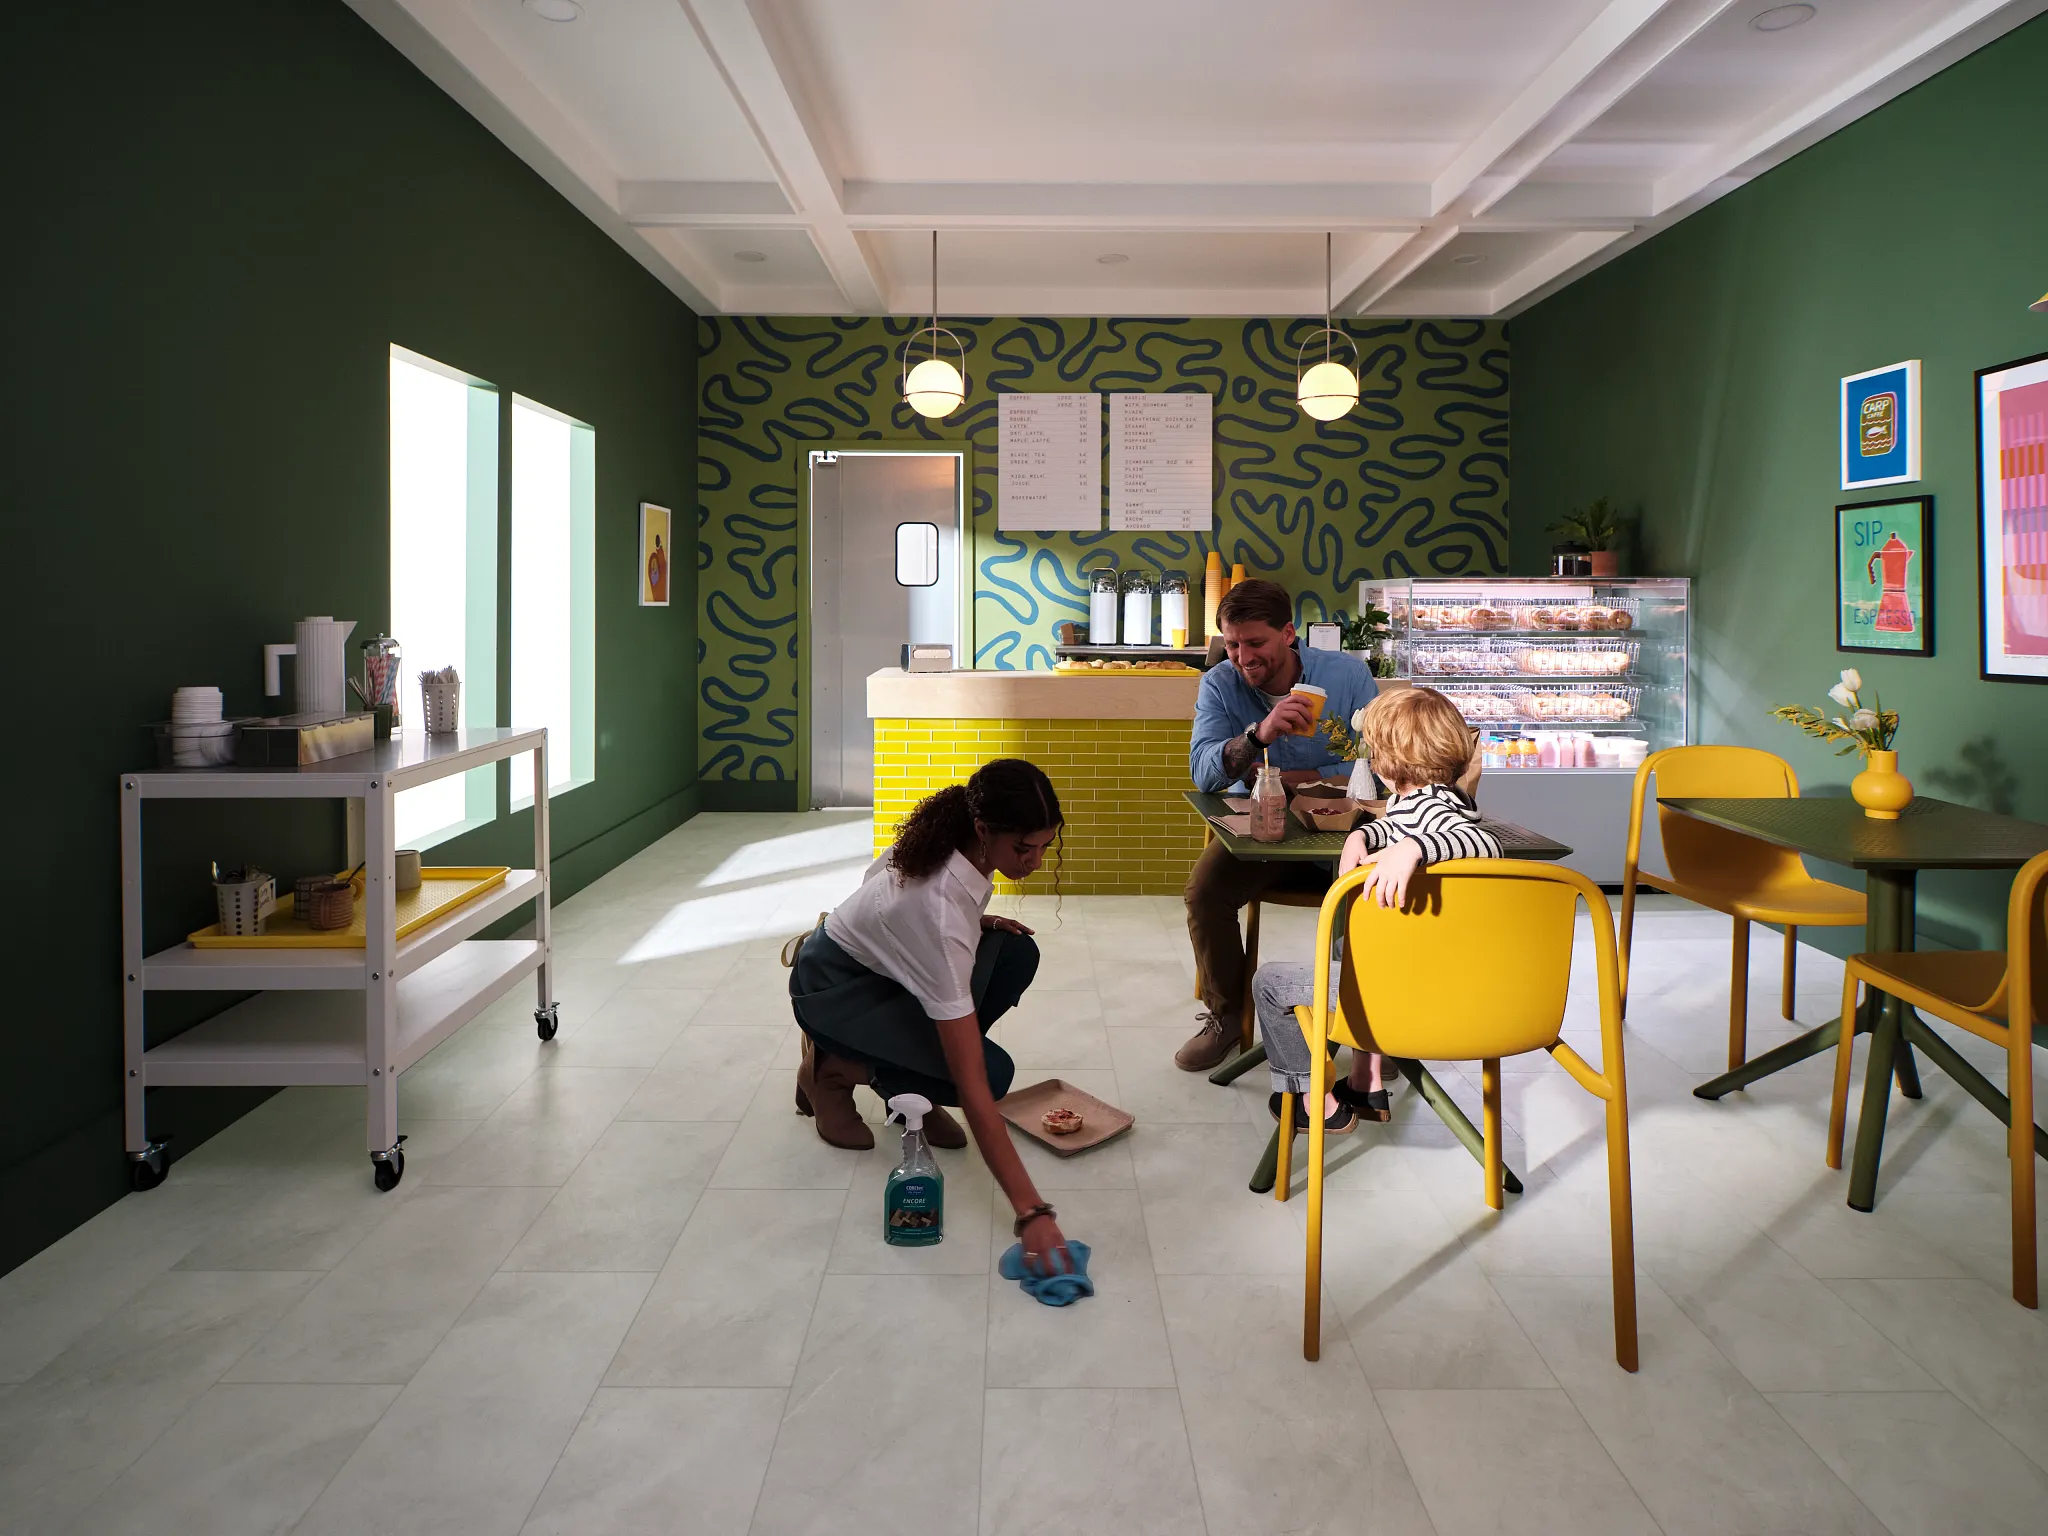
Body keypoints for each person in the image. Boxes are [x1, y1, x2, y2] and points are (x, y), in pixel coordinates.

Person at [788, 758, 1074, 1274]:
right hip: (834, 990)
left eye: (1043, 847)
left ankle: (911, 1078)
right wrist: (1032, 1212)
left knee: (1013, 953)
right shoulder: (939, 913)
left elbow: (874, 883)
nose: (1033, 861)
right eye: (1022, 848)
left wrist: (974, 922)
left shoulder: (953, 834)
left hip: (875, 974)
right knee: (990, 1074)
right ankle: (831, 1071)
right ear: (985, 830)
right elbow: (973, 1088)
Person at [1252, 686, 1503, 1130]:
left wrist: (1412, 848)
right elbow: (1404, 823)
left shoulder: (1433, 815)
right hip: (1454, 986)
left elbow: (1481, 843)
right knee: (1357, 946)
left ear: (1383, 762)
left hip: (1400, 995)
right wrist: (1364, 836)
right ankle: (1366, 1080)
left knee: (1272, 983)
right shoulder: (1432, 804)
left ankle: (1312, 1097)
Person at [1178, 577, 1379, 1072]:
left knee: (1370, 899)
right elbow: (1204, 774)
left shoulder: (1348, 676)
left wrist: (1308, 777)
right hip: (1262, 835)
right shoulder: (1220, 684)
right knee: (1205, 892)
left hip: (1347, 834)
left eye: (1255, 643)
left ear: (1288, 633)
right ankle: (1226, 1018)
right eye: (1232, 644)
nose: (1243, 656)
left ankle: (1367, 1028)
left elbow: (1381, 762)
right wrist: (1258, 733)